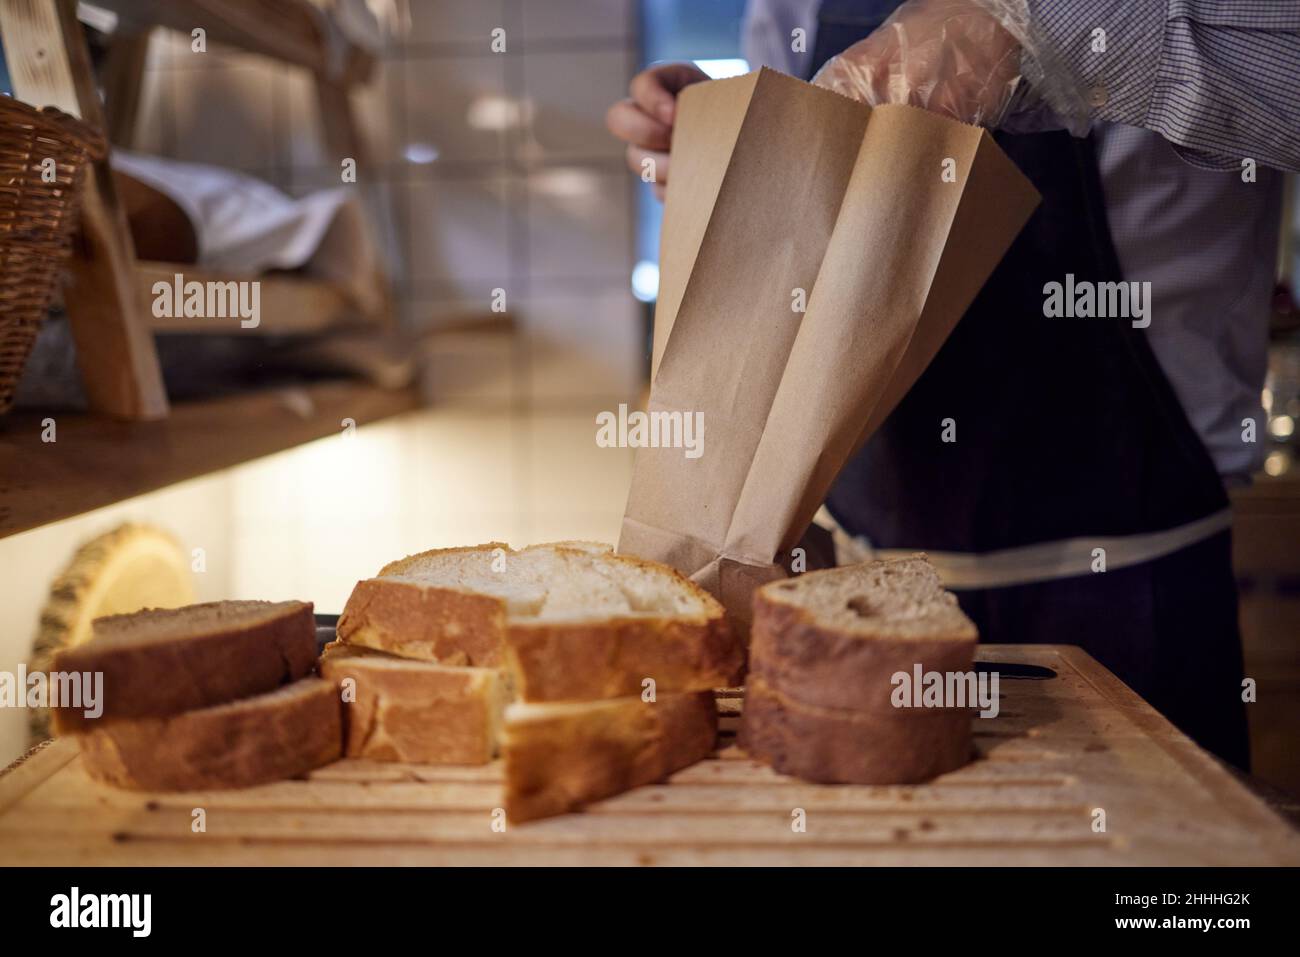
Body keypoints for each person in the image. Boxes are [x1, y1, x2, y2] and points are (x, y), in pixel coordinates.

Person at [607, 0, 1300, 768]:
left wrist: (1032, 26)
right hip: (867, 596)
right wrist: (733, 144)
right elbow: (827, 199)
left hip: (1138, 594)